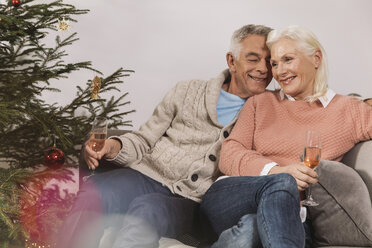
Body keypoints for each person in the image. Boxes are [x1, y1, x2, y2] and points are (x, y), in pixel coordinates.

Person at [54, 24, 278, 248]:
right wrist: (112, 146)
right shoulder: (187, 90)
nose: (263, 69)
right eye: (253, 59)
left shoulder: (271, 111)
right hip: (146, 176)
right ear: (232, 61)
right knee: (95, 192)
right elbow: (144, 138)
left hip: (193, 202)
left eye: (269, 61)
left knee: (148, 210)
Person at [201, 25, 372, 248]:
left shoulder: (349, 110)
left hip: (290, 217)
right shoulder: (259, 103)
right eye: (274, 63)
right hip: (233, 196)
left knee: (251, 232)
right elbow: (230, 154)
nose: (279, 71)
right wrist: (277, 171)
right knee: (283, 182)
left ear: (316, 58)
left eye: (288, 59)